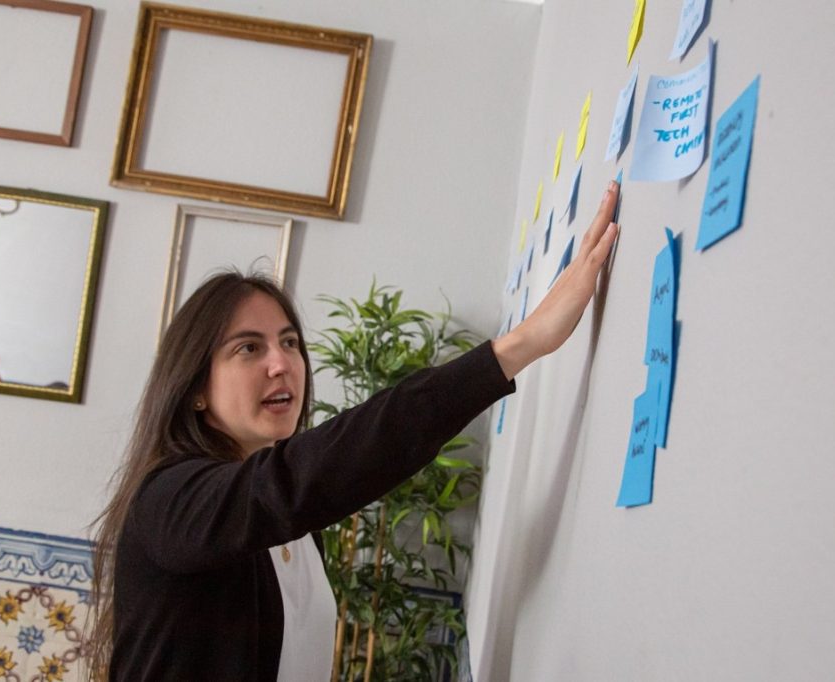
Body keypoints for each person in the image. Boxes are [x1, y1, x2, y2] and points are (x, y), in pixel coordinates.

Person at [89, 181, 621, 681]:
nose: (282, 363)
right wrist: (518, 347)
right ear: (196, 388)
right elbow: (304, 477)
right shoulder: (169, 500)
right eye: (249, 348)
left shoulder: (291, 528)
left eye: (291, 342)